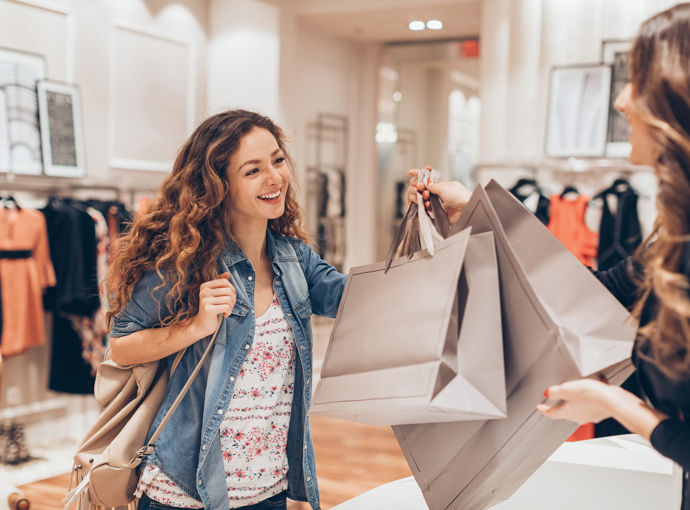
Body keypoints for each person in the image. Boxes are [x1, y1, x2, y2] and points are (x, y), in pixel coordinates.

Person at [408, 4, 690, 508]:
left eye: (637, 79)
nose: (621, 101)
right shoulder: (672, 238)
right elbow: (584, 293)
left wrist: (610, 402)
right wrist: (472, 213)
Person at [106, 110, 346, 510]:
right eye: (253, 170)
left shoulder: (295, 262)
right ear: (217, 186)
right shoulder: (182, 264)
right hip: (185, 492)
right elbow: (122, 348)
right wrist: (196, 326)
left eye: (278, 160)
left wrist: (430, 230)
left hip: (268, 489)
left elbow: (363, 301)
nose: (275, 178)